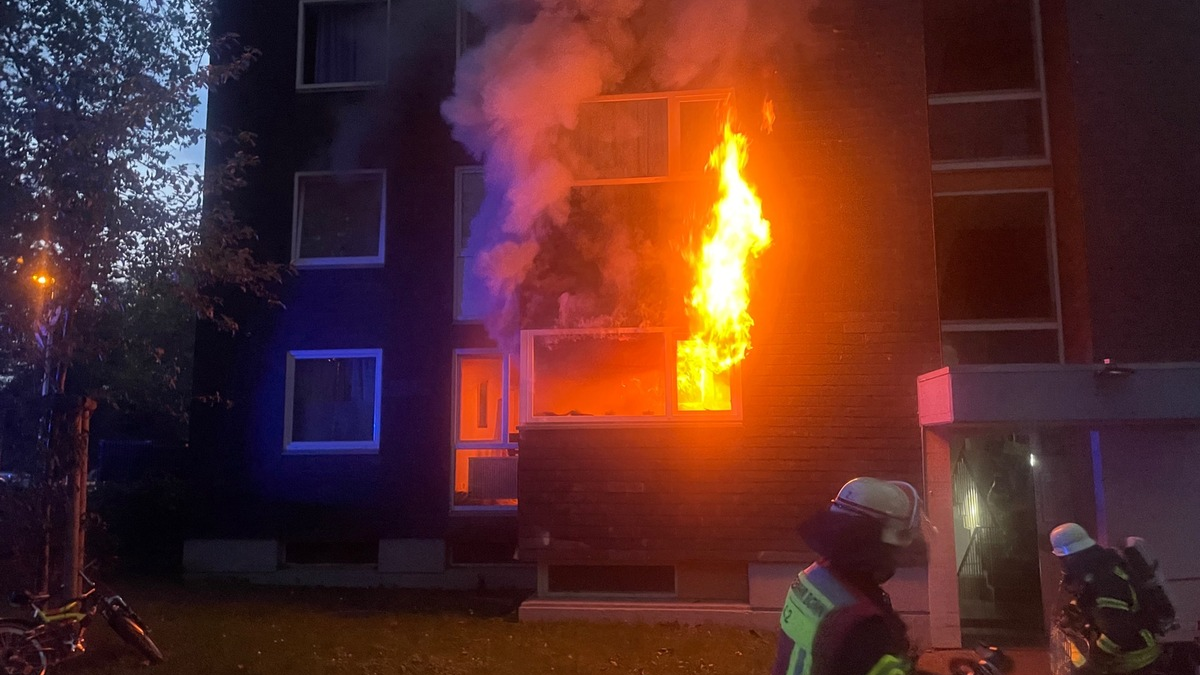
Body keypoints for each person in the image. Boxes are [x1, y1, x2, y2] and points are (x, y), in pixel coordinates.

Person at [771, 477, 924, 675]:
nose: (898, 557)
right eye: (895, 549)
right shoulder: (864, 626)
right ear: (874, 546)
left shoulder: (814, 576)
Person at [1050, 522, 1161, 674]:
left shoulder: (1103, 581)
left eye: (1061, 559)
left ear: (1068, 558)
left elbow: (1117, 633)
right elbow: (1095, 603)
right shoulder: (1101, 565)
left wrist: (1092, 667)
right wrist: (1075, 609)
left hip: (1134, 660)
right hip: (1132, 657)